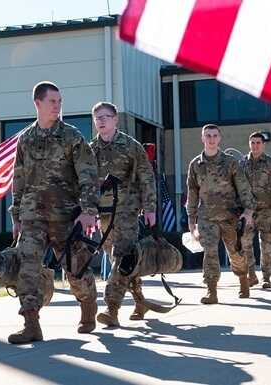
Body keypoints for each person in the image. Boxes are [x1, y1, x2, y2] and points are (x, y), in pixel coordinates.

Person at [9, 81, 99, 344]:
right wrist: (16, 217)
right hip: (32, 217)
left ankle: (88, 304)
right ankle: (31, 323)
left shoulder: (72, 137)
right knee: (27, 267)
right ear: (37, 103)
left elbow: (88, 175)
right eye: (52, 101)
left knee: (76, 269)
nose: (57, 106)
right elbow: (19, 180)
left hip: (65, 216)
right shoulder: (25, 139)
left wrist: (89, 210)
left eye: (60, 101)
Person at [88, 102, 157, 327]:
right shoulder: (90, 150)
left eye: (106, 116)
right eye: (97, 117)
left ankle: (111, 308)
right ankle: (140, 301)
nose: (101, 120)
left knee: (121, 258)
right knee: (122, 262)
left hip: (126, 211)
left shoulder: (130, 146)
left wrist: (150, 208)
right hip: (103, 215)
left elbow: (146, 177)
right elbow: (84, 183)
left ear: (116, 119)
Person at [186, 124, 255, 303]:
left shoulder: (230, 162)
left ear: (219, 138)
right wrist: (191, 219)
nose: (211, 139)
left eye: (215, 135)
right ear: (202, 139)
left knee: (234, 251)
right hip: (206, 216)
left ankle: (242, 279)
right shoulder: (195, 164)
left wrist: (248, 211)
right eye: (207, 135)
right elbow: (192, 192)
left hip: (230, 216)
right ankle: (211, 290)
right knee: (210, 252)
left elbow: (244, 187)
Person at [238, 132, 271, 289]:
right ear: (249, 144)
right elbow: (236, 186)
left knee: (266, 244)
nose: (255, 145)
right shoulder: (241, 164)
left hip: (267, 210)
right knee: (245, 243)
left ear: (263, 144)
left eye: (258, 143)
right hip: (247, 211)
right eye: (252, 142)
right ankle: (251, 275)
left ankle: (266, 277)